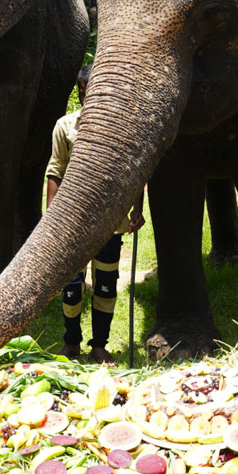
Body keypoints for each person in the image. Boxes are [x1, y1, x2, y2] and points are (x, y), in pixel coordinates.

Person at [46, 65, 143, 365]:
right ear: (81, 91)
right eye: (87, 91)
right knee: (72, 288)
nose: (93, 96)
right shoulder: (65, 126)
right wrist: (53, 218)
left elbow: (133, 172)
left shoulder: (121, 128)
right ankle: (71, 342)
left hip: (110, 222)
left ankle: (99, 344)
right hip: (73, 223)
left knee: (106, 285)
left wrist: (137, 210)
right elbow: (55, 171)